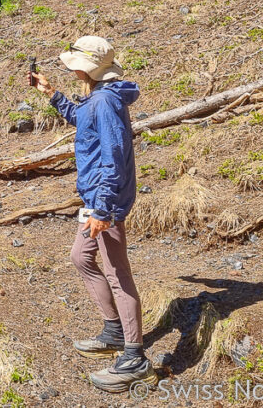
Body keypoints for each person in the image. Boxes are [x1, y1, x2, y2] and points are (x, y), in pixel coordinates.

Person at [30, 35, 156, 393]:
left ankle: (135, 358)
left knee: (117, 273)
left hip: (106, 202)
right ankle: (114, 331)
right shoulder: (97, 98)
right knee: (80, 257)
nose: (70, 69)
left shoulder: (104, 101)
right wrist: (52, 94)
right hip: (98, 200)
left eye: (73, 64)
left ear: (87, 67)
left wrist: (103, 208)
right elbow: (82, 121)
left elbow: (113, 156)